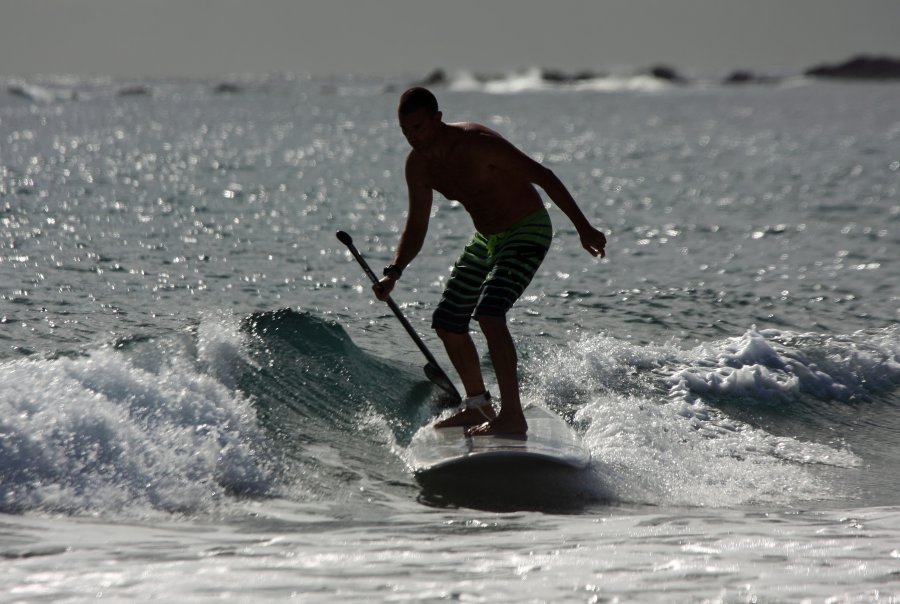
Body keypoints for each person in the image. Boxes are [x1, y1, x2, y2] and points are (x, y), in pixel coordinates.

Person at [374, 87, 606, 435]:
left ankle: (512, 415)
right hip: (486, 240)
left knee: (489, 313)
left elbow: (544, 176)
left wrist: (583, 227)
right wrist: (394, 271)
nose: (413, 137)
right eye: (406, 131)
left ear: (437, 119)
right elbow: (417, 224)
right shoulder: (419, 165)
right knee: (448, 322)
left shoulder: (478, 143)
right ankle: (478, 405)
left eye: (419, 128)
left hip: (527, 230)